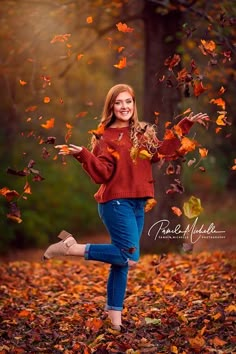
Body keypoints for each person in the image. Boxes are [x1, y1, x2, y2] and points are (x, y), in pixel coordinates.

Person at [43, 83, 208, 331]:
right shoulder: (105, 136)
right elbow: (102, 174)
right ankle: (70, 248)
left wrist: (185, 126)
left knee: (121, 264)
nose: (124, 107)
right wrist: (84, 155)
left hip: (138, 202)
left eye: (128, 102)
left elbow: (164, 150)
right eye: (119, 102)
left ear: (134, 104)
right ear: (111, 106)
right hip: (115, 201)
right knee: (128, 257)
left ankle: (115, 323)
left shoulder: (143, 131)